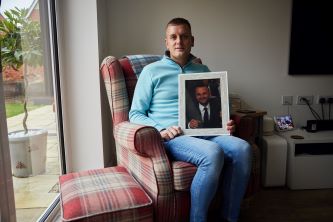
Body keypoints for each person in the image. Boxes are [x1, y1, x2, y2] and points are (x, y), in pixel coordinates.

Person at [129, 17, 251, 222]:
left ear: (192, 40)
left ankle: (230, 217)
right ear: (166, 42)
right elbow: (135, 114)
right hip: (175, 136)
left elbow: (216, 105)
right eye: (173, 37)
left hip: (207, 132)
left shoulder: (203, 71)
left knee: (243, 149)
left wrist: (224, 122)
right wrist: (161, 129)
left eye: (184, 36)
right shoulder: (151, 72)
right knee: (213, 153)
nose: (179, 41)